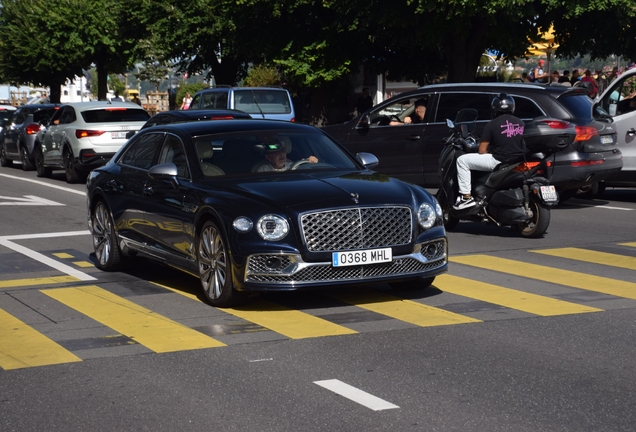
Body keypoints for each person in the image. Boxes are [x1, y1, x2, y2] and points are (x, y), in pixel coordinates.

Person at [453, 93, 527, 210]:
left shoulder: (492, 124)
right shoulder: (521, 123)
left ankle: (466, 198)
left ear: (495, 108)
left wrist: (492, 148)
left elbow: (482, 150)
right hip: (517, 161)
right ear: (512, 107)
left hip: (499, 161)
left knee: (462, 161)